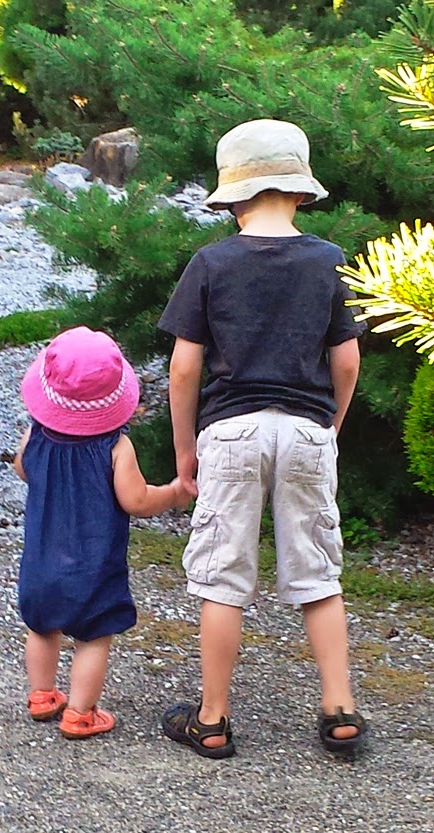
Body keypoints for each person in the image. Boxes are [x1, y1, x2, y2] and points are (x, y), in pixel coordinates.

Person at [157, 119, 368, 759]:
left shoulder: (211, 263)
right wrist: (329, 427)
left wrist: (186, 449)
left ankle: (213, 719)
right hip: (306, 429)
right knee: (318, 572)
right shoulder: (330, 261)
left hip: (231, 431)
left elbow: (184, 368)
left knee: (224, 576)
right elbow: (348, 360)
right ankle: (340, 710)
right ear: (300, 191)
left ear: (233, 198)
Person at [14, 325, 189, 739]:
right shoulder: (115, 447)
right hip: (92, 564)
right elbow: (136, 500)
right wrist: (172, 493)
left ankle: (41, 695)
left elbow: (23, 468)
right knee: (93, 636)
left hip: (41, 558)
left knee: (40, 626)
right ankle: (80, 714)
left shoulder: (36, 434)